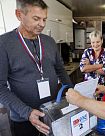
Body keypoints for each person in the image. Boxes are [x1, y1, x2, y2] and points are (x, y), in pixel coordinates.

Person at [0, 0, 73, 136]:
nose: (42, 24)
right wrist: (27, 112)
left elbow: (60, 70)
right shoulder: (3, 44)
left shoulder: (49, 41)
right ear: (19, 15)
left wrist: (71, 91)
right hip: (23, 119)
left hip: (52, 113)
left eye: (44, 19)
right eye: (36, 19)